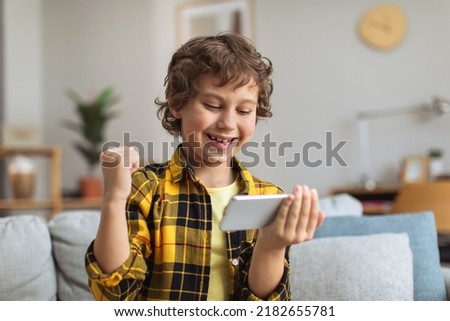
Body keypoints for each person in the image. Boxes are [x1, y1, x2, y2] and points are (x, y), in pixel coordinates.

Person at [85, 33, 325, 301]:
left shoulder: (267, 197)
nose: (228, 123)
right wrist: (114, 199)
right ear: (177, 103)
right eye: (212, 105)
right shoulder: (146, 188)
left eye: (244, 111)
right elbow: (115, 295)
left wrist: (272, 244)